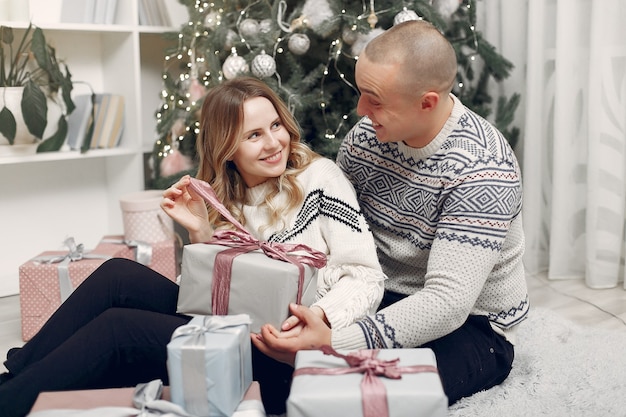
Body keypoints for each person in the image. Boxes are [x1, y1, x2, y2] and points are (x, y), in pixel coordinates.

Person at [0, 77, 385, 417]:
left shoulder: (321, 178)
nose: (274, 143)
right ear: (227, 147)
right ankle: (14, 378)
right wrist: (201, 233)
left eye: (275, 126)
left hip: (283, 358)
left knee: (120, 330)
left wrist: (317, 320)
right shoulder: (225, 197)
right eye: (254, 135)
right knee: (117, 275)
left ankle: (9, 404)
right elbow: (213, 296)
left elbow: (366, 275)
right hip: (230, 329)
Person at [252, 19, 529, 406]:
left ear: (427, 101)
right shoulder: (366, 139)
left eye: (375, 99)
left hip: (470, 325)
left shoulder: (483, 168)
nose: (360, 109)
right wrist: (324, 315)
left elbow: (447, 304)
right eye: (360, 92)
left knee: (351, 395)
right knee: (267, 358)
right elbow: (333, 234)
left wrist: (333, 343)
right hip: (376, 292)